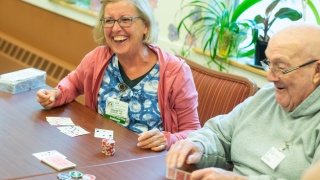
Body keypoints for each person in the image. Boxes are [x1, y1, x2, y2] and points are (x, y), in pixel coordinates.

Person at [36, 0, 200, 151]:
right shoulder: (98, 58)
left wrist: (168, 139)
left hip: (146, 162)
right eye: (109, 21)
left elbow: (194, 133)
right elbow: (73, 83)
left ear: (146, 26)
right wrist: (56, 93)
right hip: (99, 151)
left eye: (125, 19)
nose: (115, 28)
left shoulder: (176, 72)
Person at [166, 23, 320, 179]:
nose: (270, 77)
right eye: (269, 64)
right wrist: (198, 146)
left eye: (280, 67)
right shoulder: (265, 97)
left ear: (317, 71)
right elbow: (219, 133)